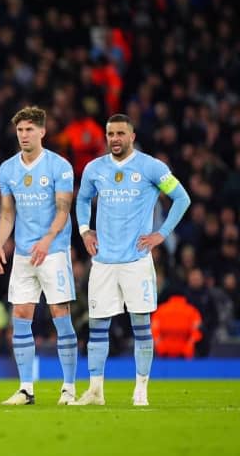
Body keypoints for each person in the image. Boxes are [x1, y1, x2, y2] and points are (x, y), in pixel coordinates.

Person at [74, 113, 191, 406]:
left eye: (120, 134)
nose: (115, 139)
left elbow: (182, 198)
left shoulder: (151, 167)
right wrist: (85, 230)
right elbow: (82, 199)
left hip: (136, 260)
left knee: (141, 324)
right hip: (102, 261)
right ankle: (95, 391)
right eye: (110, 134)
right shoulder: (94, 169)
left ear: (132, 136)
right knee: (97, 325)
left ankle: (141, 390)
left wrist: (161, 234)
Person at [0, 106, 78, 405]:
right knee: (20, 316)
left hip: (53, 252)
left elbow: (63, 209)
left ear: (42, 131)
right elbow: (6, 213)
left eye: (29, 129)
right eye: (20, 130)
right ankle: (26, 388)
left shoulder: (59, 166)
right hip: (24, 255)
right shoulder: (7, 169)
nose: (24, 135)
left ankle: (68, 388)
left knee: (60, 314)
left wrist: (47, 240)